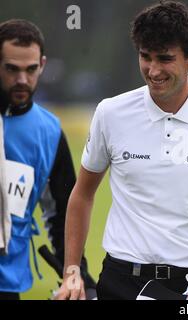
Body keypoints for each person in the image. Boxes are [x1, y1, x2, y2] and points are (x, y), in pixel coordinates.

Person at [56, 1, 188, 300]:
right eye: (145, 57)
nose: (153, 70)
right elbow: (82, 194)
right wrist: (72, 270)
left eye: (165, 58)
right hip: (121, 281)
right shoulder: (111, 112)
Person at [0, 19, 94, 300]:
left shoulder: (49, 131)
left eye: (31, 70)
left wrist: (79, 276)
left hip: (8, 283)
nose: (22, 80)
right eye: (11, 69)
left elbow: (62, 212)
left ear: (42, 64)